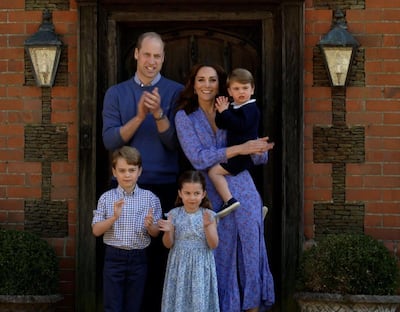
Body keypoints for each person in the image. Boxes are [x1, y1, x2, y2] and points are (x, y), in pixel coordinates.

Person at [174, 64, 275, 312]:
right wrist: (240, 149)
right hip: (210, 193)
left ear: (220, 85)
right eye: (201, 80)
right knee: (220, 255)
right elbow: (197, 158)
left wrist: (258, 150)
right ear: (193, 84)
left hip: (243, 187)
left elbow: (257, 155)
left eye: (212, 80)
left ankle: (252, 307)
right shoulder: (184, 116)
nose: (207, 85)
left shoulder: (236, 109)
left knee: (251, 253)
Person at [101, 31, 184, 311]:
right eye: (146, 54)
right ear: (136, 54)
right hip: (125, 187)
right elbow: (111, 141)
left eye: (157, 56)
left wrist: (159, 113)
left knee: (159, 262)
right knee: (123, 261)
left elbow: (175, 144)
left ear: (163, 58)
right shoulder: (117, 93)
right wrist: (139, 116)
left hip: (163, 186)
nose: (151, 61)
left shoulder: (176, 92)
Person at [92, 146, 162, 312]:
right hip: (114, 257)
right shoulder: (107, 198)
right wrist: (114, 217)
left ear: (139, 171)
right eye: (122, 170)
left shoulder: (150, 198)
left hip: (139, 258)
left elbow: (155, 233)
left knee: (134, 306)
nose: (127, 175)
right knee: (112, 306)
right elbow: (96, 231)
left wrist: (150, 225)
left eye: (132, 170)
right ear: (114, 172)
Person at [158, 170, 220, 312]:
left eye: (196, 193)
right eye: (187, 193)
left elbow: (213, 244)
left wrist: (208, 227)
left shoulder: (209, 215)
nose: (192, 198)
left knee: (199, 302)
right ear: (180, 193)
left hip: (200, 265)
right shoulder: (174, 214)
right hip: (179, 265)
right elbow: (168, 244)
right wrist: (168, 231)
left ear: (203, 194)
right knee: (179, 300)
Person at [209, 68, 260, 218]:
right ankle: (252, 209)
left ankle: (229, 201)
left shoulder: (251, 109)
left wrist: (225, 112)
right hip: (236, 154)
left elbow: (240, 125)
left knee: (214, 172)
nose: (241, 92)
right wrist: (220, 111)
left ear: (252, 89)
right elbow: (221, 124)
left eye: (245, 88)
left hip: (242, 155)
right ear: (230, 92)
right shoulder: (235, 107)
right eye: (236, 89)